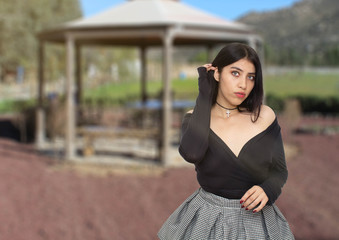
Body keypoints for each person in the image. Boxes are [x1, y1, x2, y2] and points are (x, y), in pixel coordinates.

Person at [158, 43, 294, 239]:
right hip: (207, 220)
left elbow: (279, 171)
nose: (243, 85)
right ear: (217, 74)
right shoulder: (193, 118)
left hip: (256, 221)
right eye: (235, 73)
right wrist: (204, 93)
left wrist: (268, 190)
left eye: (251, 77)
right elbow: (192, 153)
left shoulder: (264, 116)